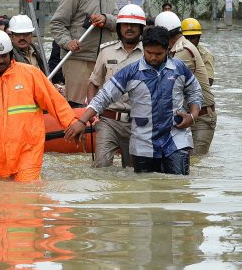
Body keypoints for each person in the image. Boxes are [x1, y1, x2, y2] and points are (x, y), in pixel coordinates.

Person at [65, 26, 202, 175]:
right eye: (149, 53)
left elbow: (195, 91)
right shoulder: (130, 72)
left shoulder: (179, 68)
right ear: (144, 48)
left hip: (177, 139)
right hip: (144, 143)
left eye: (159, 54)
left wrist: (193, 116)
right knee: (144, 188)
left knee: (179, 187)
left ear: (167, 49)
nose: (154, 57)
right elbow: (104, 96)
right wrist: (82, 121)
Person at [0, 30, 78, 182]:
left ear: (10, 53)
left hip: (28, 152)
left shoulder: (30, 74)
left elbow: (55, 102)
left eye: (5, 55)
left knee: (26, 192)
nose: (1, 60)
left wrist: (72, 123)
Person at [49, 0, 119, 104]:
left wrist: (105, 19)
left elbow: (118, 22)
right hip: (78, 59)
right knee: (78, 104)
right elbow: (57, 23)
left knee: (103, 105)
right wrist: (67, 42)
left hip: (103, 59)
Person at [86, 4, 146, 168]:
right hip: (108, 120)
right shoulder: (106, 51)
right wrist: (92, 111)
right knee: (101, 167)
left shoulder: (149, 54)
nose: (129, 28)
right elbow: (93, 82)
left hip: (138, 123)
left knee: (134, 171)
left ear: (141, 28)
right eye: (125, 25)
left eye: (134, 25)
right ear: (119, 28)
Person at [155, 11, 217, 157]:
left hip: (201, 118)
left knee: (195, 163)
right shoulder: (177, 49)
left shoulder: (183, 51)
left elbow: (167, 84)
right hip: (189, 115)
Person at [181, 17, 214, 85]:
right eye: (186, 37)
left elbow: (209, 81)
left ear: (199, 38)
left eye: (193, 37)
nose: (189, 41)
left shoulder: (205, 54)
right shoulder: (175, 51)